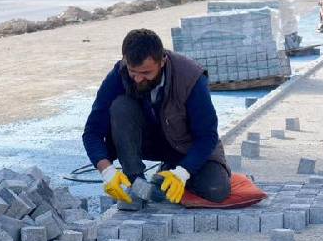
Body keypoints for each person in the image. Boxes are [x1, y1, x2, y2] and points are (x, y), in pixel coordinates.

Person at [82, 28, 231, 206]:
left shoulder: (190, 77)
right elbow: (92, 132)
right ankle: (136, 182)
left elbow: (207, 136)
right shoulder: (118, 75)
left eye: (146, 73)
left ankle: (172, 171)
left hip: (186, 146)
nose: (138, 79)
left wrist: (183, 172)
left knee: (216, 190)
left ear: (162, 61)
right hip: (148, 142)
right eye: (133, 71)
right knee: (121, 106)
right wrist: (107, 171)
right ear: (125, 61)